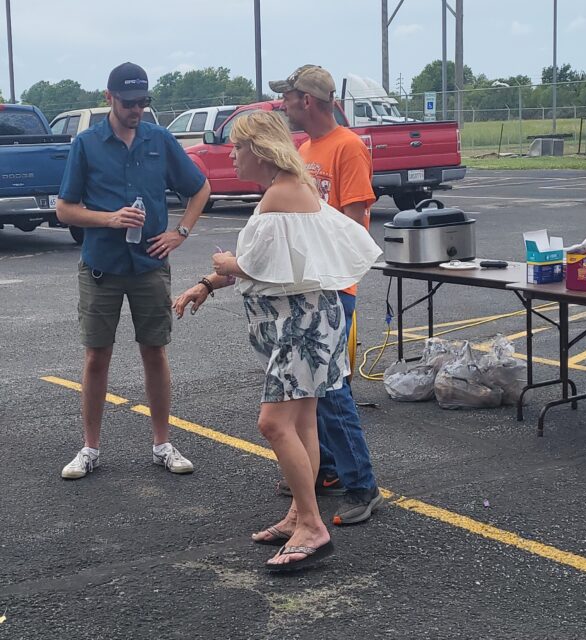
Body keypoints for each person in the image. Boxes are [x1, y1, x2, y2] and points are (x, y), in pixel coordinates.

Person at [173, 111, 381, 572]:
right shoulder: (296, 187)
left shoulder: (281, 195)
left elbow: (253, 264)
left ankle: (311, 526)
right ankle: (298, 515)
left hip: (301, 326)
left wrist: (226, 264)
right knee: (303, 421)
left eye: (237, 146)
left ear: (260, 150)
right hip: (310, 319)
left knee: (273, 423)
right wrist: (207, 283)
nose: (231, 154)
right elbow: (284, 261)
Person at [57, 62, 211, 480]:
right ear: (109, 98)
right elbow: (64, 208)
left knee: (154, 351)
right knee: (96, 356)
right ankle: (90, 449)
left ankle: (162, 443)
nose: (137, 109)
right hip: (101, 268)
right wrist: (109, 219)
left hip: (149, 265)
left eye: (143, 101)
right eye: (129, 102)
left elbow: (200, 188)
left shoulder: (159, 139)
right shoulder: (86, 144)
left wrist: (180, 232)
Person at [268, 64, 383, 525]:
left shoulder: (348, 147)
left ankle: (363, 485)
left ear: (308, 101)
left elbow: (352, 225)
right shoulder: (307, 148)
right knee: (313, 386)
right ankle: (328, 470)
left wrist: (322, 269)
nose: (283, 105)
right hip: (311, 285)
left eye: (288, 98)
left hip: (334, 286)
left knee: (331, 389)